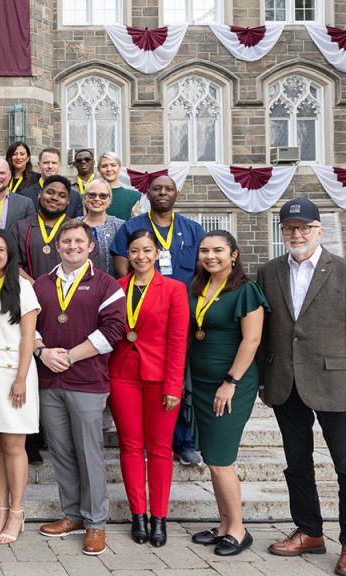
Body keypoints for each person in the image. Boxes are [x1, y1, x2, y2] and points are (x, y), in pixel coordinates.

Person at [257, 199, 346, 573]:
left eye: (304, 228)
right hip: (285, 381)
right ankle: (309, 531)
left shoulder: (342, 270)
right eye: (290, 228)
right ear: (282, 233)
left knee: (345, 466)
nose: (297, 234)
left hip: (335, 380)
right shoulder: (268, 272)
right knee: (297, 463)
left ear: (319, 231)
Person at [32, 220, 125, 556]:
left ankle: (96, 523)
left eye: (78, 241)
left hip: (87, 382)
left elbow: (114, 330)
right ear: (58, 247)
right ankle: (71, 514)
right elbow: (29, 326)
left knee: (90, 453)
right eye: (66, 242)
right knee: (61, 451)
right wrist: (42, 352)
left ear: (90, 247)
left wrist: (70, 356)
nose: (72, 246)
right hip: (49, 380)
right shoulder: (42, 284)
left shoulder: (106, 284)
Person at [111, 174, 206, 467]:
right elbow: (121, 271)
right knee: (145, 381)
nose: (162, 193)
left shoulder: (193, 229)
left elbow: (204, 271)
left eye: (168, 189)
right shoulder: (131, 227)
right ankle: (139, 441)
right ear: (147, 193)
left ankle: (184, 441)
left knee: (180, 379)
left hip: (184, 315)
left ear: (176, 194)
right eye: (156, 189)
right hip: (144, 317)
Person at [186, 230, 267, 557]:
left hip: (231, 384)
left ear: (233, 254)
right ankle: (223, 525)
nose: (210, 256)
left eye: (218, 250)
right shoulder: (197, 288)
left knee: (220, 461)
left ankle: (239, 530)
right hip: (200, 383)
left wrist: (230, 381)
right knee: (211, 458)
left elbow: (252, 340)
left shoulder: (246, 290)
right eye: (204, 250)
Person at [108, 228, 189, 548]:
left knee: (159, 448)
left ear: (157, 254)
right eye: (134, 251)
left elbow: (178, 341)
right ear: (127, 255)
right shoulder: (116, 288)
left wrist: (174, 385)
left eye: (146, 251)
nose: (140, 257)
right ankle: (137, 515)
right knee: (129, 446)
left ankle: (159, 517)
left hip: (160, 379)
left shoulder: (174, 289)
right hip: (122, 376)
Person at [0, 230, 40, 546]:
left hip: (14, 373)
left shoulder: (22, 287)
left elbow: (28, 337)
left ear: (9, 254)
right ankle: (0, 511)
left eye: (0, 249)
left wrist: (20, 378)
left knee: (14, 446)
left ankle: (17, 512)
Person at [7, 175, 105, 280]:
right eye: (50, 192)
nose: (54, 198)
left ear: (68, 202)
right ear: (40, 195)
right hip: (31, 293)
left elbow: (92, 268)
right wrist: (35, 286)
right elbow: (12, 264)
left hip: (71, 294)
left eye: (62, 195)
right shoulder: (20, 228)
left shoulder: (80, 230)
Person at [19, 148, 84, 220]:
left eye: (54, 163)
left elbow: (77, 226)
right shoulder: (25, 195)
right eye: (46, 163)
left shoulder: (74, 197)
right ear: (39, 165)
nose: (50, 166)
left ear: (59, 165)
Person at [77, 180, 124, 277]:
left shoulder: (120, 226)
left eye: (103, 196)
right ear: (85, 197)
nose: (97, 199)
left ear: (109, 199)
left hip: (111, 286)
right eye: (92, 195)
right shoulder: (73, 225)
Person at [97, 152, 141, 220]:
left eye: (113, 165)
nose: (109, 169)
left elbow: (137, 225)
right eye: (104, 166)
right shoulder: (91, 195)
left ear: (120, 168)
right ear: (99, 169)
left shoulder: (133, 197)